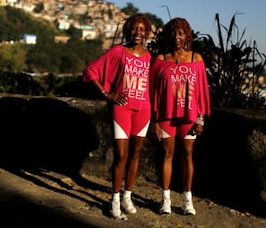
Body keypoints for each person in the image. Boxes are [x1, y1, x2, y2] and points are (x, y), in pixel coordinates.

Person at [83, 13, 153, 219]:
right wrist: (107, 94)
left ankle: (127, 196)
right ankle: (114, 199)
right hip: (121, 109)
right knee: (121, 156)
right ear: (128, 30)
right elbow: (90, 71)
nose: (137, 32)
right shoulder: (117, 51)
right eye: (134, 28)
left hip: (144, 110)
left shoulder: (150, 57)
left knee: (136, 155)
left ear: (146, 33)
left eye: (142, 29)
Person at [149, 17, 211, 215]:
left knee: (187, 155)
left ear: (187, 36)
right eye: (174, 33)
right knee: (167, 154)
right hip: (166, 115)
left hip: (189, 115)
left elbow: (201, 90)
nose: (177, 37)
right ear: (169, 35)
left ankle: (187, 200)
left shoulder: (196, 59)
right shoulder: (160, 60)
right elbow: (153, 92)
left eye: (181, 33)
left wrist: (200, 118)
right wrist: (155, 120)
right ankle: (165, 199)